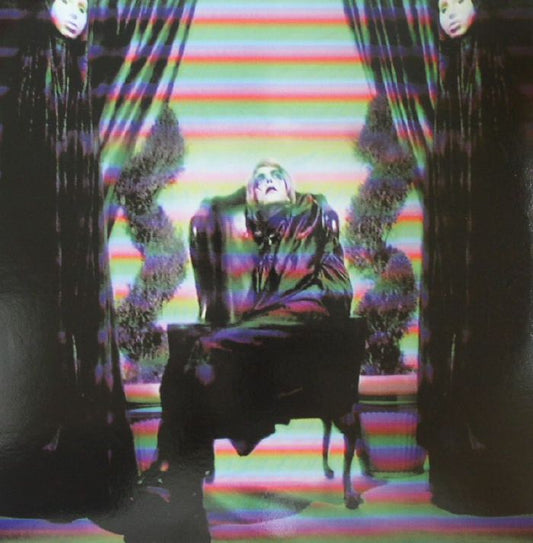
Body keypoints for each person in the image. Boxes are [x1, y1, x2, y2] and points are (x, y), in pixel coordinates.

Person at [125, 161, 353, 541]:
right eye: (259, 180)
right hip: (265, 342)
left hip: (310, 326)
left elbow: (317, 288)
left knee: (205, 350)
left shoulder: (311, 213)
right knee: (190, 361)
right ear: (251, 197)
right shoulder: (259, 237)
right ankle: (181, 492)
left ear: (292, 190)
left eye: (276, 177)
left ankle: (168, 476)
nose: (268, 181)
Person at [0, 0, 136, 518]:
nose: (77, 11)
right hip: (32, 128)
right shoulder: (29, 60)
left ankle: (81, 451)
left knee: (72, 280)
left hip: (68, 121)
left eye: (83, 4)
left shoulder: (75, 70)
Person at [418, 0, 531, 514]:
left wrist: (481, 12)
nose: (449, 11)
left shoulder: (495, 75)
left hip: (494, 108)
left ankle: (494, 453)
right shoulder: (452, 80)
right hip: (459, 108)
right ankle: (458, 456)